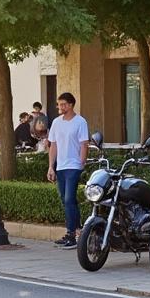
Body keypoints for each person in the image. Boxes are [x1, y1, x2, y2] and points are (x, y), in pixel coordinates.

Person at [47, 92, 90, 249]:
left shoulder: (80, 122)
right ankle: (78, 230)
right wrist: (51, 166)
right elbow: (53, 145)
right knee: (66, 200)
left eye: (63, 104)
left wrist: (81, 163)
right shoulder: (56, 123)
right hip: (61, 166)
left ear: (71, 105)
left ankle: (71, 234)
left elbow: (84, 144)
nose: (60, 107)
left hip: (73, 165)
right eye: (59, 104)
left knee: (68, 199)